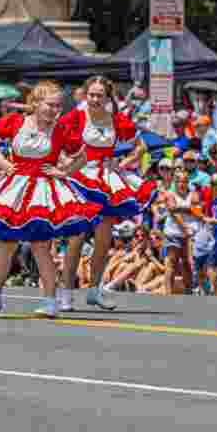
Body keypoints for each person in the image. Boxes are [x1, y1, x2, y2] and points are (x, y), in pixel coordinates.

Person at [0, 80, 99, 318]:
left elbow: (82, 156)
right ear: (36, 103)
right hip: (14, 188)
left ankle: (50, 301)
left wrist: (64, 172)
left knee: (41, 246)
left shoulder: (60, 130)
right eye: (50, 105)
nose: (55, 110)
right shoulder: (15, 121)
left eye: (58, 106)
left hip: (42, 190)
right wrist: (1, 161)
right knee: (6, 244)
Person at [61, 75, 158, 311]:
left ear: (107, 97)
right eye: (91, 94)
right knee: (76, 238)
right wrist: (66, 164)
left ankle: (94, 290)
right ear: (86, 95)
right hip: (81, 178)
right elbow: (58, 144)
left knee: (103, 240)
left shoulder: (116, 119)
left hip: (105, 179)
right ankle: (66, 293)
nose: (95, 99)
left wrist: (121, 164)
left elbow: (140, 147)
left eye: (100, 95)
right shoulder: (75, 117)